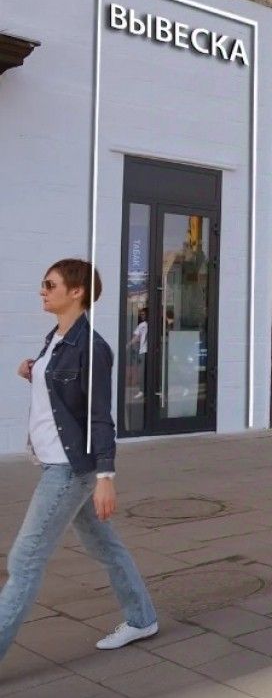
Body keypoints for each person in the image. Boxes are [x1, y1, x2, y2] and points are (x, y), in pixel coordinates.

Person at [1, 259, 158, 663]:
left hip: (69, 469)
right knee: (105, 545)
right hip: (57, 462)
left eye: (49, 284)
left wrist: (106, 476)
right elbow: (65, 393)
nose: (42, 290)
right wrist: (35, 371)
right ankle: (142, 618)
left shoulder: (92, 347)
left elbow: (100, 416)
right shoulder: (57, 338)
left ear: (77, 292)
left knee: (25, 560)